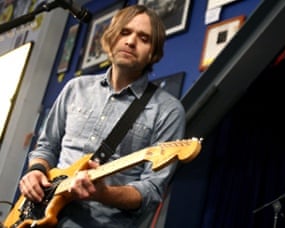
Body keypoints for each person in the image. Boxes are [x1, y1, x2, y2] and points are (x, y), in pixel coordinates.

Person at [18, 5, 185, 227]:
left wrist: (102, 193)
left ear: (153, 53)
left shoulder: (168, 110)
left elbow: (152, 191)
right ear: (111, 38)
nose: (131, 42)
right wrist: (36, 170)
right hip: (36, 217)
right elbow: (46, 146)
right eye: (125, 32)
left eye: (143, 38)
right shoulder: (75, 87)